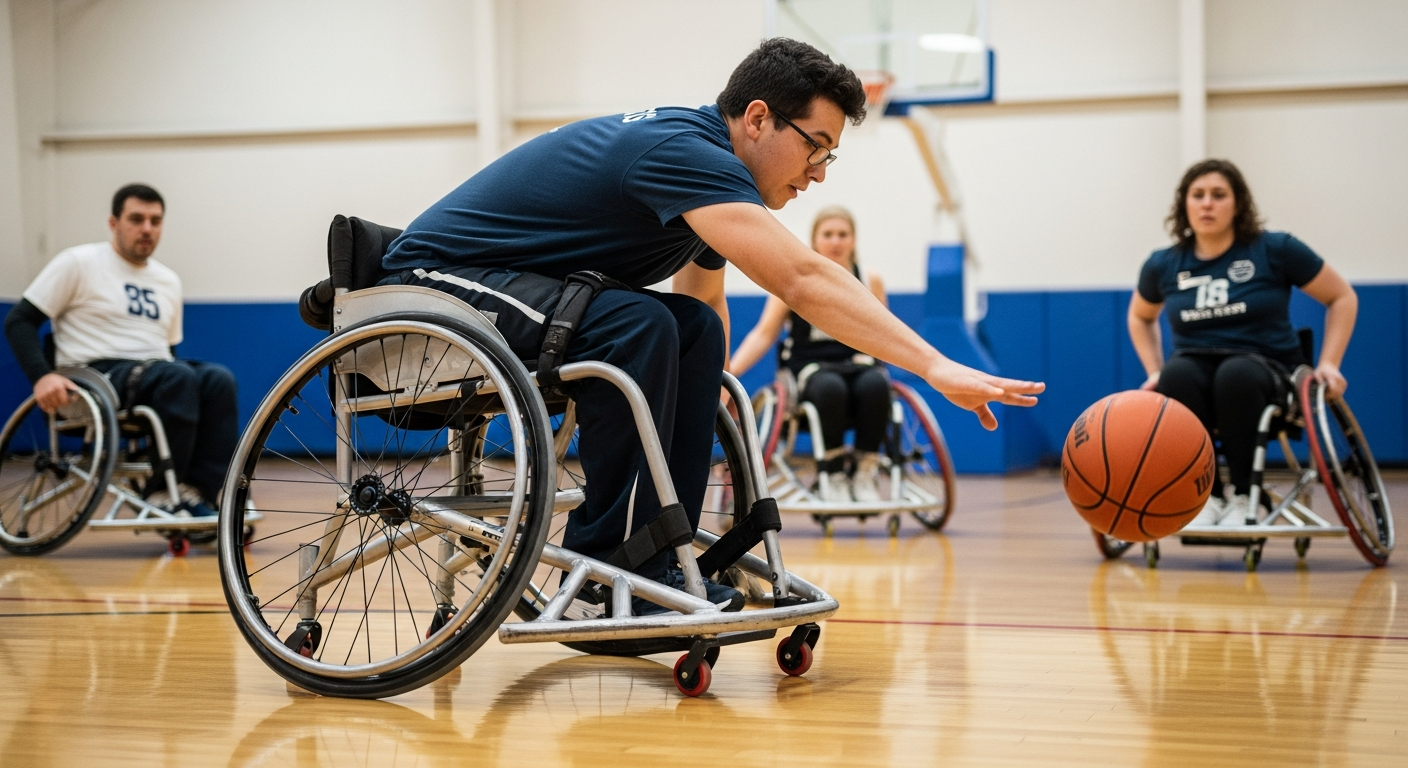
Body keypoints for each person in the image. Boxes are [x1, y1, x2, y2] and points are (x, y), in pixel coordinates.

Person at [380, 38, 1043, 613]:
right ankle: (614, 564)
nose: (817, 172)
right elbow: (802, 278)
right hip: (429, 285)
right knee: (633, 322)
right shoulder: (685, 152)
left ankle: (658, 554)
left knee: (686, 328)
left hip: (506, 293)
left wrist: (704, 387)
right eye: (816, 147)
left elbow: (701, 301)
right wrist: (933, 364)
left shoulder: (710, 176)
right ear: (757, 118)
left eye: (829, 158)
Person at [1128, 159, 1357, 527]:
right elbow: (1140, 316)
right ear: (1183, 205)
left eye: (1218, 195)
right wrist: (1154, 370)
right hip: (1196, 366)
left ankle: (1244, 495)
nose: (1207, 204)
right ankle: (1206, 498)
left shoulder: (1275, 249)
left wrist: (1329, 363)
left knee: (1235, 375)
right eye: (1198, 195)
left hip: (1266, 368)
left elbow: (1342, 297)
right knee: (1176, 377)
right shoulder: (1164, 264)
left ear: (1238, 204)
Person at [3, 184, 239, 517]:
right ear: (114, 223)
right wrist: (42, 378)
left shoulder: (168, 281)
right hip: (93, 377)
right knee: (175, 376)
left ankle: (198, 491)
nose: (147, 229)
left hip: (156, 372)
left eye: (155, 221)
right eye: (137, 219)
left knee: (218, 379)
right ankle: (161, 493)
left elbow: (169, 350)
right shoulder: (78, 262)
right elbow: (20, 321)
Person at [728, 206, 890, 502]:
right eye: (828, 234)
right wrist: (731, 372)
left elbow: (886, 332)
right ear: (814, 240)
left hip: (857, 364)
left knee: (877, 385)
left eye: (843, 234)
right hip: (811, 367)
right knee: (830, 388)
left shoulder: (869, 279)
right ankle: (832, 471)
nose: (836, 241)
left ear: (854, 240)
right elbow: (764, 333)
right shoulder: (793, 280)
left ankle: (866, 471)